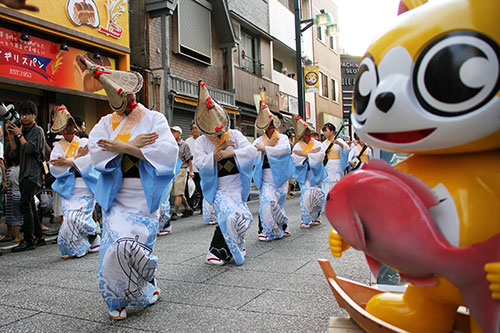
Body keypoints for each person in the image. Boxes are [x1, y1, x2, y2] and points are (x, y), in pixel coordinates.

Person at [80, 56, 178, 320]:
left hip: (143, 195)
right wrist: (134, 146)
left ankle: (146, 283)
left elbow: (168, 152)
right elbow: (96, 152)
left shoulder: (154, 118)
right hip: (117, 195)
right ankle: (116, 298)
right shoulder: (104, 123)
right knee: (115, 247)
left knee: (134, 247)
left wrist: (123, 147)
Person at [194, 81, 256, 266]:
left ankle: (235, 245)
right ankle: (214, 252)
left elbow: (251, 152)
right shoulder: (201, 142)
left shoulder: (235, 135)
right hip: (219, 187)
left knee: (242, 217)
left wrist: (232, 152)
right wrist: (217, 151)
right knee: (228, 216)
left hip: (236, 186)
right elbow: (199, 163)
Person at [49, 105, 100, 259]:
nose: (69, 129)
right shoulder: (58, 147)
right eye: (66, 127)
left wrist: (68, 161)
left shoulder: (84, 141)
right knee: (69, 220)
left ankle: (93, 236)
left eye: (71, 125)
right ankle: (80, 245)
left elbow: (89, 161)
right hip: (69, 188)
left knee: (78, 218)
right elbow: (54, 165)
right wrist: (76, 159)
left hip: (84, 185)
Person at [253, 101, 294, 242]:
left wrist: (265, 148)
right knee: (267, 201)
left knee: (277, 202)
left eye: (271, 124)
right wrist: (264, 146)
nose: (269, 128)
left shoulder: (283, 138)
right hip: (265, 175)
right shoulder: (259, 140)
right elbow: (252, 153)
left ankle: (282, 225)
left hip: (280, 175)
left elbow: (283, 151)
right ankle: (267, 230)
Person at [8, 101, 46, 252]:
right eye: (22, 114)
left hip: (33, 173)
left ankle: (29, 239)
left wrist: (19, 134)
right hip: (24, 173)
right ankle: (39, 236)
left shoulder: (38, 131)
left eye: (27, 114)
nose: (24, 117)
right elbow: (15, 155)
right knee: (29, 204)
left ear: (34, 115)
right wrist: (12, 135)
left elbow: (30, 149)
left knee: (24, 203)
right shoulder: (23, 131)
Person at [291, 116, 327, 229]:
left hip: (315, 173)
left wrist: (305, 154)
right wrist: (311, 154)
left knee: (318, 195)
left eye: (308, 131)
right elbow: (295, 158)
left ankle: (315, 216)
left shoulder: (317, 144)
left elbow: (321, 156)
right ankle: (305, 219)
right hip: (304, 174)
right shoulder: (297, 146)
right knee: (307, 194)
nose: (307, 133)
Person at [170, 126, 194, 220]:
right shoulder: (170, 144)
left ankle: (174, 212)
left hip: (182, 169)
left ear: (179, 134)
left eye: (174, 132)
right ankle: (188, 208)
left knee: (178, 193)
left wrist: (191, 171)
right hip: (172, 170)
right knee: (178, 192)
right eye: (171, 132)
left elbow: (189, 159)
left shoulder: (184, 145)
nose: (172, 134)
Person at [321, 123, 348, 195]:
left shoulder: (339, 140)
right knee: (326, 187)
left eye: (326, 131)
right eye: (324, 131)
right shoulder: (323, 144)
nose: (325, 133)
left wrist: (339, 143)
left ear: (332, 131)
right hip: (327, 166)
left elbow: (346, 149)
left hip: (337, 165)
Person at [4, 156, 22, 243]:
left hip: (14, 195)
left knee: (15, 217)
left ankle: (17, 236)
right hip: (22, 193)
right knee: (25, 215)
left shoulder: (10, 172)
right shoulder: (22, 171)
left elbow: (9, 185)